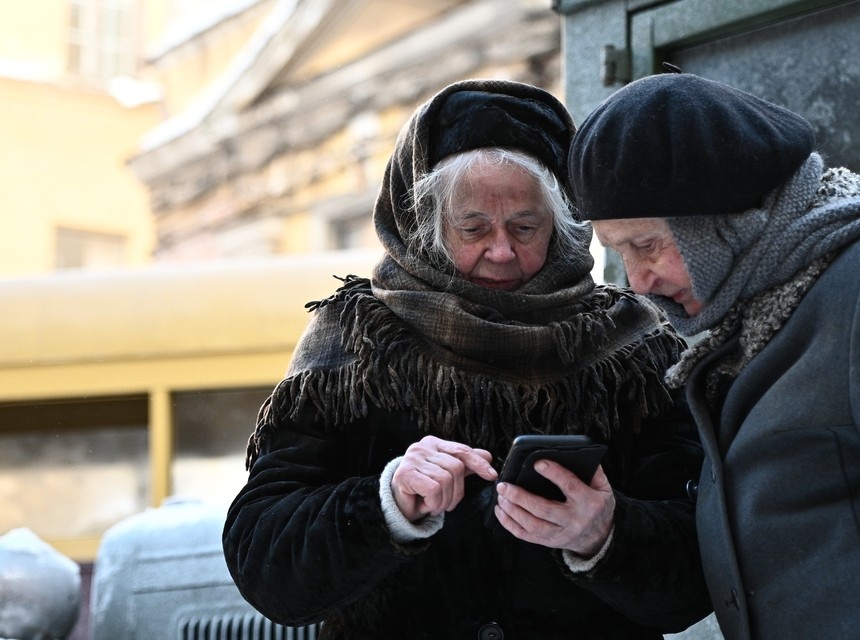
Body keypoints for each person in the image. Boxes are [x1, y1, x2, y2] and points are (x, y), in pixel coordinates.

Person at [222, 78, 712, 639]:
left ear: (564, 226)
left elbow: (699, 565)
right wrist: (388, 501)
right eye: (473, 227)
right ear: (426, 227)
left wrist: (605, 533)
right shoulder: (357, 341)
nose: (501, 251)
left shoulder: (632, 345)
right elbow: (265, 562)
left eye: (525, 226)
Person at [567, 69, 860, 638]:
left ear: (721, 219)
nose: (638, 280)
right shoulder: (748, 317)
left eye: (646, 245)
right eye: (618, 252)